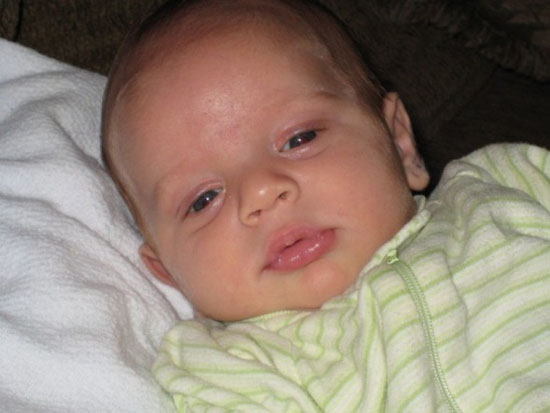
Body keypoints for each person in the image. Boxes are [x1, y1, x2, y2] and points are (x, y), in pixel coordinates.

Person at [101, 0, 550, 411]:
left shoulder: (503, 183)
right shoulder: (231, 370)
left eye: (299, 139)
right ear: (167, 270)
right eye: (203, 199)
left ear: (400, 142)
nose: (261, 192)